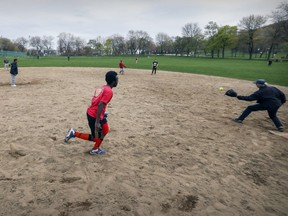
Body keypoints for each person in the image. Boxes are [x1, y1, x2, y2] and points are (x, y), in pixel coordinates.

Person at [64, 71, 119, 155]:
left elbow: (97, 102)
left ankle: (96, 148)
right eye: (117, 79)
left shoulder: (103, 87)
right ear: (113, 81)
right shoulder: (109, 91)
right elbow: (100, 104)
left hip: (96, 113)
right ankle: (74, 134)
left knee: (105, 129)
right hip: (94, 115)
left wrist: (103, 113)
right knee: (95, 137)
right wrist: (97, 122)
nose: (118, 80)